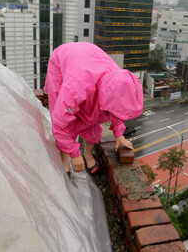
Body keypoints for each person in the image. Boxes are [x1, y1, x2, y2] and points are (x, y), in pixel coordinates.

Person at [44, 42, 143, 176]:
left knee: (93, 122)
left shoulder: (118, 81)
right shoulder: (75, 89)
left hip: (88, 58)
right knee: (65, 119)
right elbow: (60, 125)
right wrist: (74, 154)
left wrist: (119, 134)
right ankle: (65, 159)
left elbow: (117, 109)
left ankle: (87, 153)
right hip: (63, 59)